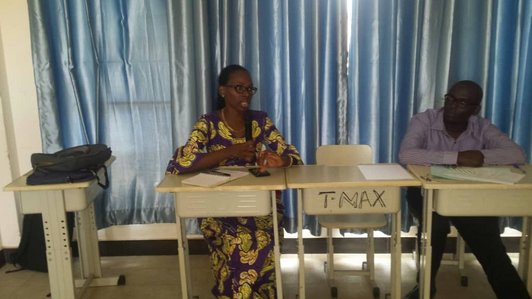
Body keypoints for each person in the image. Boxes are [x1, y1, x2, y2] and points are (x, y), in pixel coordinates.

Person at [166, 64, 302, 299]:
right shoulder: (207, 123)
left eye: (250, 89)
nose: (246, 94)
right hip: (218, 207)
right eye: (239, 88)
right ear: (222, 91)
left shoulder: (260, 121)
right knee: (243, 241)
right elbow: (181, 163)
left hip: (258, 204)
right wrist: (233, 151)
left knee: (266, 238)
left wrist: (281, 160)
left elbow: (294, 156)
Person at [399, 80, 530, 299]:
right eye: (449, 98)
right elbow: (406, 154)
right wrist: (457, 157)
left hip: (467, 196)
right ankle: (424, 289)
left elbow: (517, 154)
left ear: (474, 109)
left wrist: (482, 157)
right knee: (435, 228)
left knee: (491, 246)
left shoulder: (482, 126)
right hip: (425, 192)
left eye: (461, 102)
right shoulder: (424, 120)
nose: (451, 105)